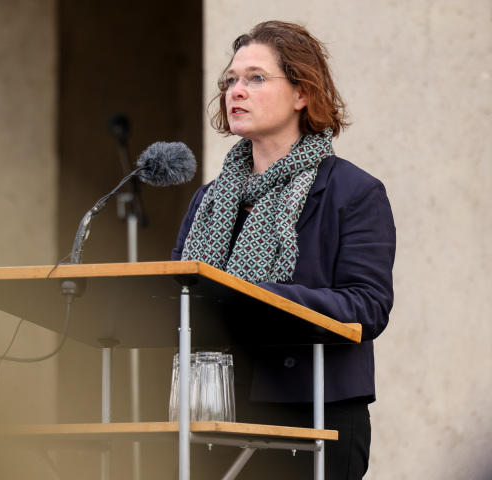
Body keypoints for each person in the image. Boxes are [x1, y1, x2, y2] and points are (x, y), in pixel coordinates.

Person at [171, 21, 396, 479]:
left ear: (302, 93)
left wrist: (265, 296)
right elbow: (178, 299)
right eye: (230, 80)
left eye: (255, 78)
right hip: (212, 410)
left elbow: (368, 306)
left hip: (311, 414)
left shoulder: (351, 192)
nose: (236, 90)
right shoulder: (209, 200)